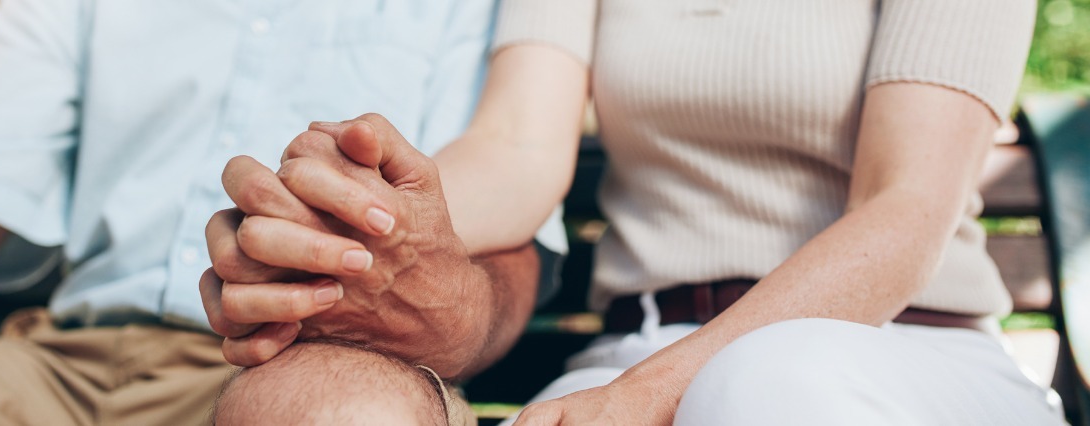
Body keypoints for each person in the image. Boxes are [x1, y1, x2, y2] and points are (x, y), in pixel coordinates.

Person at [209, 0, 1067, 424]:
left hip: (903, 354)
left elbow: (906, 207)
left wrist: (645, 398)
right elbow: (514, 148)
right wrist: (332, 237)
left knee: (766, 385)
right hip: (635, 347)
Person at [0, 0, 567, 424]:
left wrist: (439, 312)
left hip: (291, 372)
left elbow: (512, 247)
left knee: (337, 415)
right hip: (54, 369)